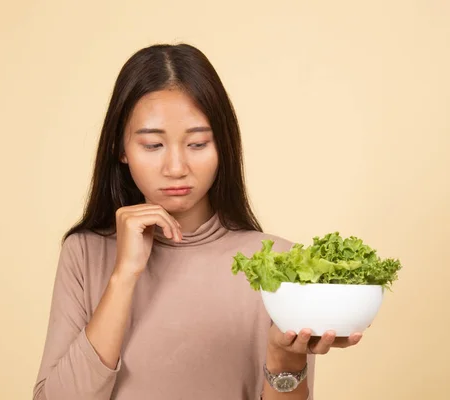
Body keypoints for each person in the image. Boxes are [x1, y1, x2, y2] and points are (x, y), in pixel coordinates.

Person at [33, 43, 363, 400]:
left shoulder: (279, 264)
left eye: (197, 143)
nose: (176, 168)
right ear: (121, 149)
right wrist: (123, 276)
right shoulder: (84, 253)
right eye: (153, 145)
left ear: (223, 145)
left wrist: (285, 360)